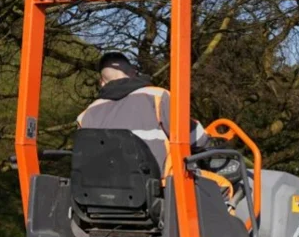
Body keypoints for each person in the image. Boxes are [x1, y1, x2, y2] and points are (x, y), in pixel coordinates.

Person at [77, 52, 211, 175]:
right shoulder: (158, 97)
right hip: (159, 192)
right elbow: (198, 140)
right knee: (223, 187)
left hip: (103, 194)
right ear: (134, 73)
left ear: (102, 83)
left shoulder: (85, 116)